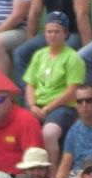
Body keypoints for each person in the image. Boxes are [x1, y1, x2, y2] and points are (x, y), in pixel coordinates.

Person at [23, 12, 85, 169]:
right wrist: (32, 106)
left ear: (65, 33)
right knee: (21, 127)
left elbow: (72, 91)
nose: (52, 35)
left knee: (49, 133)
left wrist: (47, 108)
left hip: (63, 107)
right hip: (37, 105)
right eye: (49, 31)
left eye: (57, 31)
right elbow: (30, 84)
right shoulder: (39, 55)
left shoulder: (73, 58)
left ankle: (52, 176)